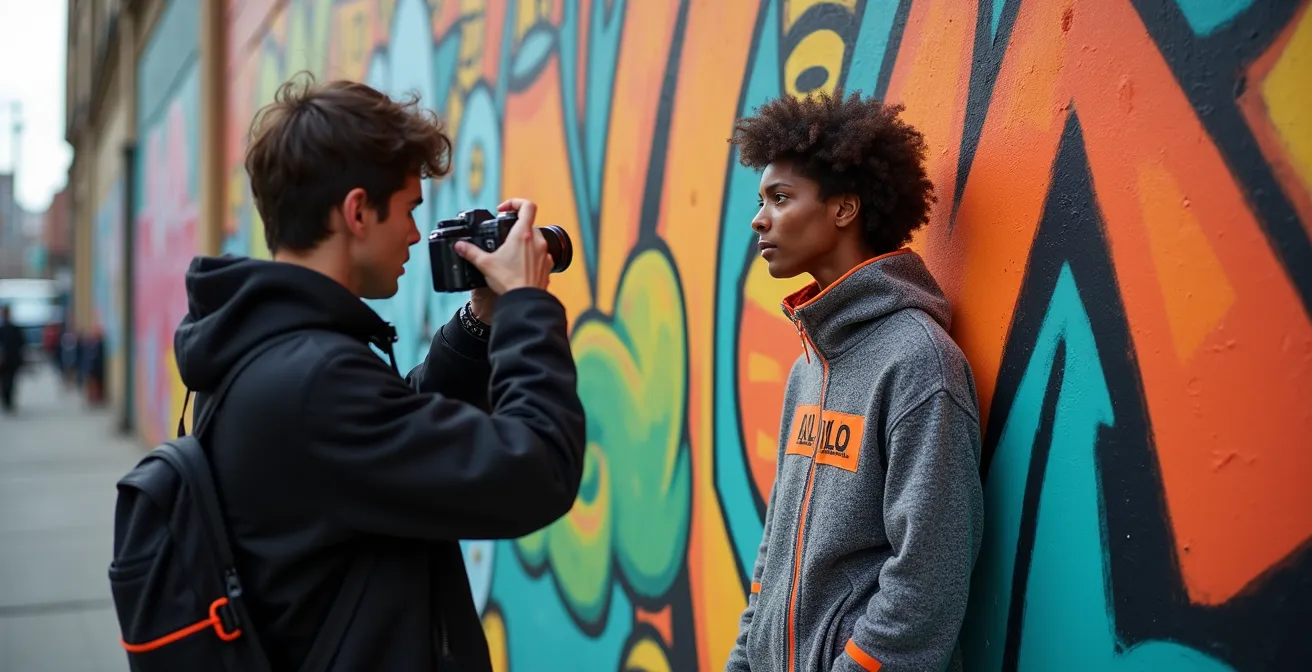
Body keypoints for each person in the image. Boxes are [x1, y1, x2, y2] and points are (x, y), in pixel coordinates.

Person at [169, 76, 586, 670]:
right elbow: (537, 471)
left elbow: (389, 433)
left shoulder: (263, 350)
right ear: (358, 211)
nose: (417, 234)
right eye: (411, 209)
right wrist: (527, 304)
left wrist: (481, 323)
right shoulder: (313, 383)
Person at [723, 90, 984, 672]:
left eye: (780, 198)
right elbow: (776, 547)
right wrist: (744, 659)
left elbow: (930, 576)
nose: (759, 219)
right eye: (762, 200)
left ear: (844, 209)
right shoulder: (809, 366)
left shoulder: (918, 362)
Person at [0, 304, 25, 412]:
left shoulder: (14, 328)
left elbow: (21, 343)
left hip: (11, 360)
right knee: (6, 381)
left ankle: (8, 401)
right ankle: (6, 401)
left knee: (10, 381)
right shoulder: (7, 329)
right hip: (5, 360)